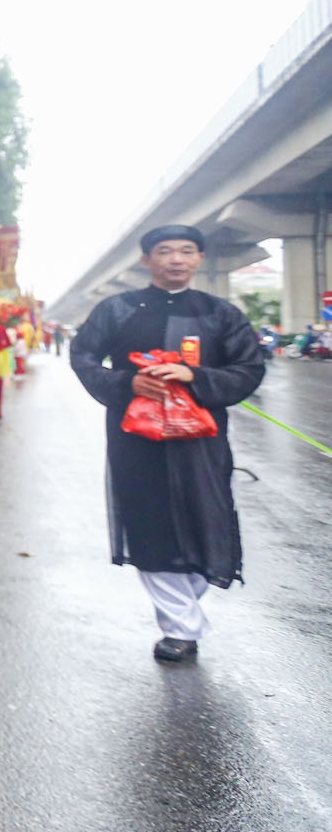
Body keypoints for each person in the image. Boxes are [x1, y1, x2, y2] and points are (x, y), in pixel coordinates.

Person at [69, 225, 265, 662]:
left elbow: (249, 368)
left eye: (186, 251)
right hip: (135, 437)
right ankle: (180, 629)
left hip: (203, 439)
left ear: (198, 259)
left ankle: (187, 605)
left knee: (203, 517)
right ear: (146, 260)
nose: (176, 259)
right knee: (148, 521)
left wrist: (196, 377)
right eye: (165, 251)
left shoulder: (220, 314)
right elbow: (82, 357)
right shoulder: (116, 310)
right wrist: (127, 382)